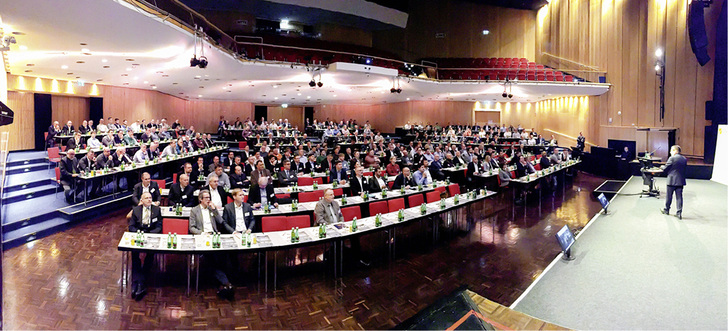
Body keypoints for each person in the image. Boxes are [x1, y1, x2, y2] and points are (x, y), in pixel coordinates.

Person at [188, 190, 234, 298]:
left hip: (214, 236)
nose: (208, 200)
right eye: (206, 198)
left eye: (209, 197)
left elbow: (220, 221)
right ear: (200, 199)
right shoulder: (194, 210)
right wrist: (203, 233)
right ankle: (226, 284)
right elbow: (192, 228)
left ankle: (223, 284)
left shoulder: (211, 209)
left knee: (222, 256)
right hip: (203, 237)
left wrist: (214, 210)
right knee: (212, 259)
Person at [128, 192, 162, 300]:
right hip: (139, 234)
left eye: (150, 198)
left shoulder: (157, 210)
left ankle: (138, 284)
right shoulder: (136, 210)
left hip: (151, 234)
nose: (149, 200)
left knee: (150, 255)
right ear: (141, 201)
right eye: (146, 198)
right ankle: (139, 284)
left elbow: (159, 226)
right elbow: (131, 227)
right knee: (134, 255)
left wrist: (150, 234)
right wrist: (140, 233)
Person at [660, 145, 687, 219]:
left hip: (671, 180)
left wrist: (662, 166)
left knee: (669, 196)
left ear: (675, 150)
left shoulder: (672, 158)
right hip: (680, 180)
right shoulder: (684, 159)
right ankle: (679, 213)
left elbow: (665, 168)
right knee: (679, 197)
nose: (670, 152)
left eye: (671, 151)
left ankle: (666, 210)